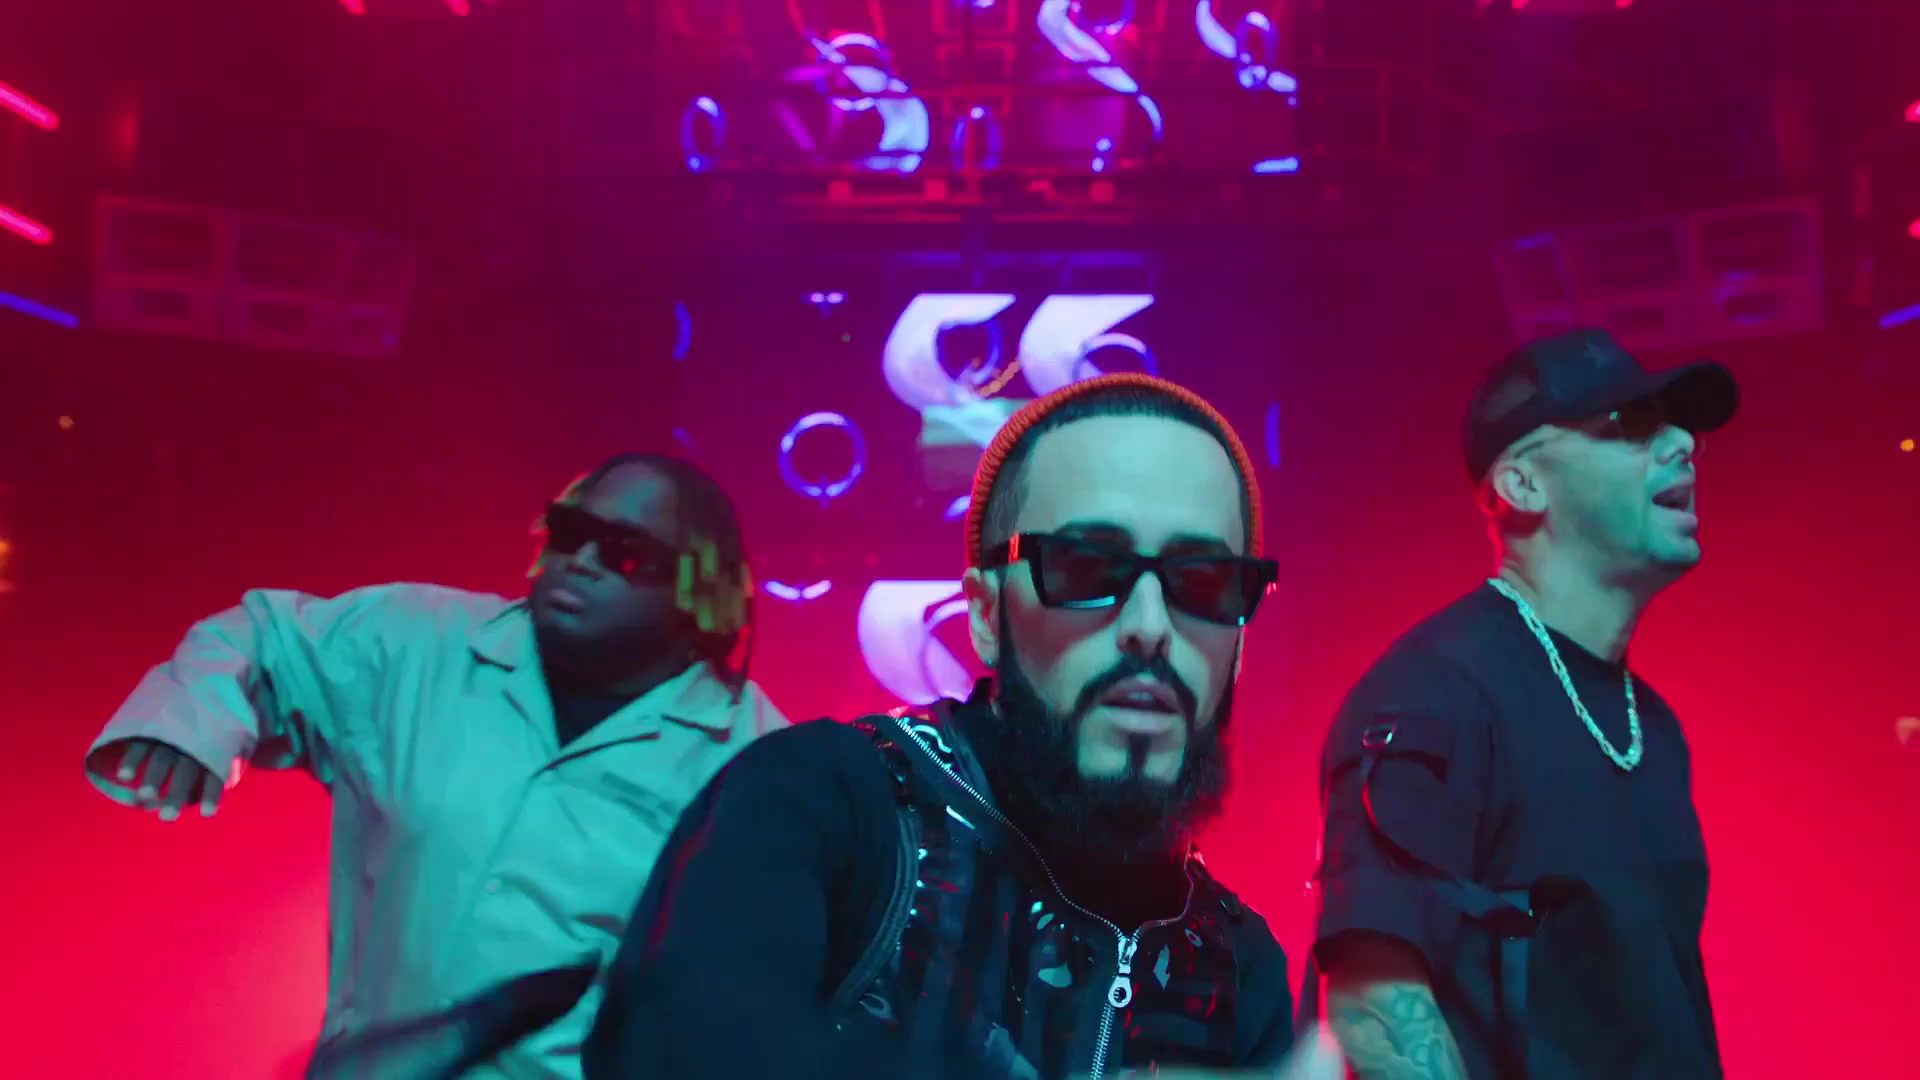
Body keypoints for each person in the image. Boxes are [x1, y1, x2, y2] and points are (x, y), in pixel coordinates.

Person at [585, 374, 1299, 1080]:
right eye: (1086, 568)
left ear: (1240, 644)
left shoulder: (1241, 967)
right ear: (986, 616)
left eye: (1204, 582)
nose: (1149, 626)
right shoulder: (818, 807)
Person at [83, 452, 790, 1079]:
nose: (581, 561)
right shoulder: (418, 647)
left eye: (625, 554)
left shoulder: (758, 760)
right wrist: (192, 720)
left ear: (700, 587)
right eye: (570, 532)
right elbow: (265, 636)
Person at [1306, 328, 1737, 1079]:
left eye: (1678, 426)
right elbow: (1374, 1009)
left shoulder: (1653, 727)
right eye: (1630, 425)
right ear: (1523, 485)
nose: (1680, 445)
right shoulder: (1434, 693)